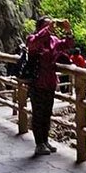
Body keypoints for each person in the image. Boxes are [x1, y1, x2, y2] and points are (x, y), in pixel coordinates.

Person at [23, 17, 74, 156]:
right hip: (37, 81)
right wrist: (47, 29)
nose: (50, 27)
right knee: (38, 113)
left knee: (47, 113)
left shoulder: (54, 41)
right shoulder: (33, 38)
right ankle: (39, 144)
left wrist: (68, 30)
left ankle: (45, 141)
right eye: (46, 25)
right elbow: (32, 46)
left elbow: (67, 45)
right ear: (40, 27)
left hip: (50, 82)